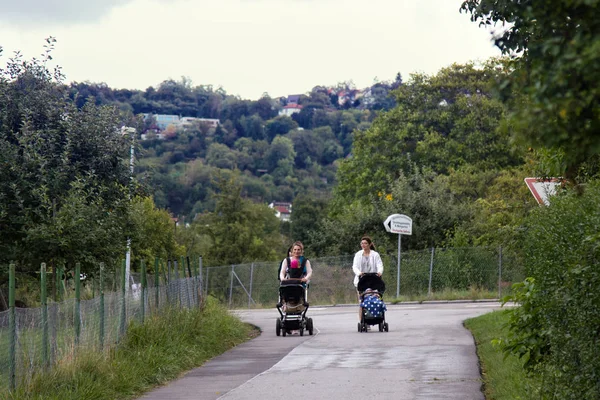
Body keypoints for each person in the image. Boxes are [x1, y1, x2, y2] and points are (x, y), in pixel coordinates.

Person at [352, 236, 383, 321]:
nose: (363, 245)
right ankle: (363, 320)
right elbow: (355, 266)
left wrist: (379, 272)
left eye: (365, 243)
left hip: (373, 280)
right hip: (361, 280)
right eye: (362, 243)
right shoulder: (358, 255)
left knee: (375, 298)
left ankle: (376, 316)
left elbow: (379, 265)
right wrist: (359, 273)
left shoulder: (375, 255)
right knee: (362, 301)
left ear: (369, 244)